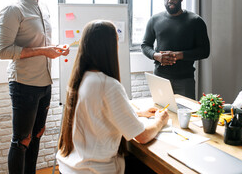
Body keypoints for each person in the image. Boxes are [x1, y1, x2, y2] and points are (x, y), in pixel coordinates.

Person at [56, 20, 169, 173]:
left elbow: (97, 112)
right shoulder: (108, 85)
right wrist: (160, 121)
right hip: (94, 170)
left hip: (71, 166)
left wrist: (138, 114)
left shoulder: (81, 78)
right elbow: (142, 136)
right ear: (109, 48)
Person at [0, 0, 69, 173]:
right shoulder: (13, 9)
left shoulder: (43, 8)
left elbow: (41, 45)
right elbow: (3, 51)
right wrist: (43, 51)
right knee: (21, 141)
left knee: (36, 136)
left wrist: (55, 48)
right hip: (23, 84)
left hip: (45, 83)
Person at [141, 0, 210, 100]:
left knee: (187, 115)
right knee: (160, 113)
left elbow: (204, 51)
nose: (170, 0)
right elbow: (145, 45)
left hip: (185, 80)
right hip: (160, 78)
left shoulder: (196, 21)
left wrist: (179, 55)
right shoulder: (154, 20)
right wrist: (155, 55)